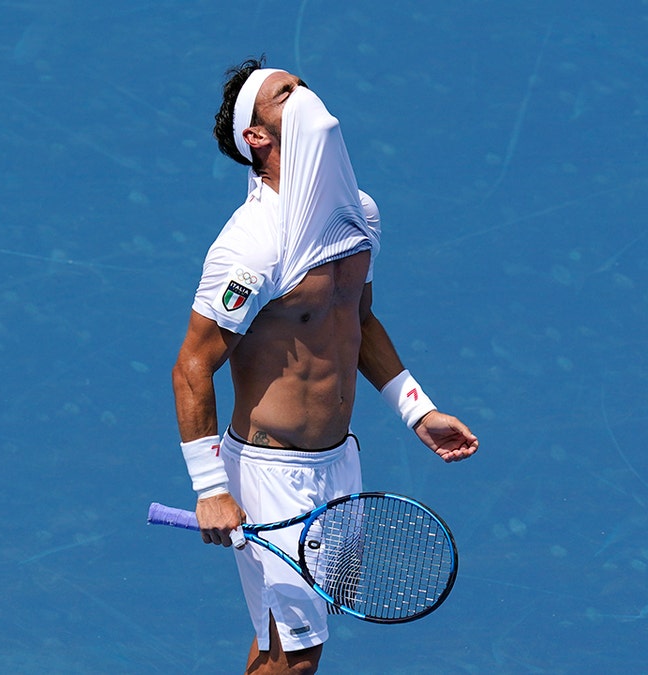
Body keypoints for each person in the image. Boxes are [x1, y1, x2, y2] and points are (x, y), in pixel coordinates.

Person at [171, 58, 478, 674]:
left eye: (302, 84)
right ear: (255, 137)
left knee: (281, 644)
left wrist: (417, 410)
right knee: (299, 656)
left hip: (339, 462)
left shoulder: (360, 212)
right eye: (284, 94)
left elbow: (356, 320)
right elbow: (192, 367)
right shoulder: (251, 244)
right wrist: (211, 490)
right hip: (272, 473)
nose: (303, 94)